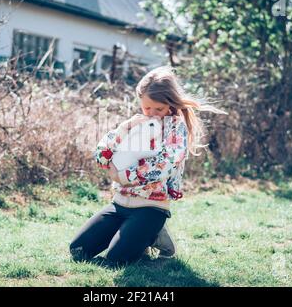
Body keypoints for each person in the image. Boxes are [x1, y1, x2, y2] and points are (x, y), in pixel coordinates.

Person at [69, 66, 227, 264]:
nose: (152, 114)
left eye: (158, 109)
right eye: (147, 108)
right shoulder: (135, 123)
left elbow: (164, 165)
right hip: (120, 203)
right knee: (78, 250)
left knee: (116, 260)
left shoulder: (176, 128)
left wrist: (123, 176)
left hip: (151, 206)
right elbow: (100, 155)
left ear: (170, 104)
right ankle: (133, 234)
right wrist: (124, 129)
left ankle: (152, 234)